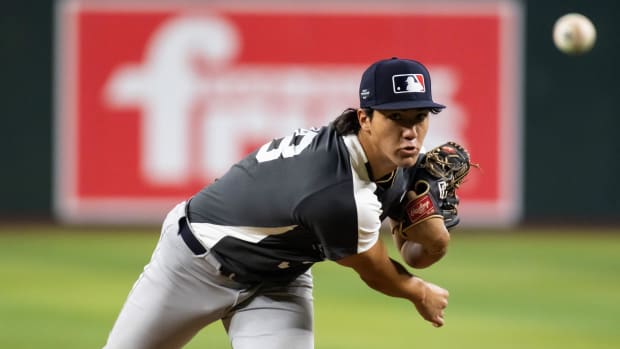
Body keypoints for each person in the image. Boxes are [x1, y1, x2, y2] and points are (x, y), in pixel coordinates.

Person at [104, 57, 451, 349]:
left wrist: (435, 237)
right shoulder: (336, 192)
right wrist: (419, 293)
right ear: (365, 119)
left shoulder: (400, 161)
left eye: (419, 117)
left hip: (278, 282)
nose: (410, 131)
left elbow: (413, 255)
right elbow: (377, 271)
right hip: (195, 266)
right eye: (396, 117)